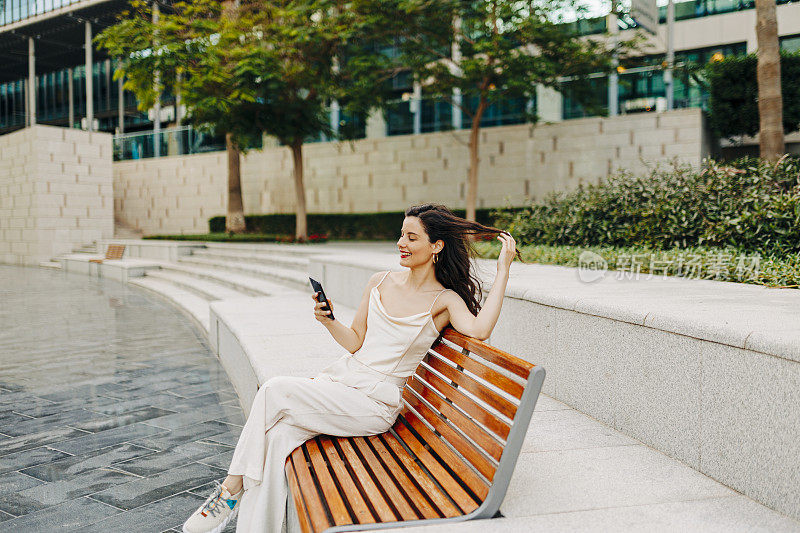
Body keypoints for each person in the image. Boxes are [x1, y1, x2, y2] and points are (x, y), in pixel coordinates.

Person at [182, 203, 524, 533]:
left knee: (273, 390)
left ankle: (228, 492)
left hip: (374, 404)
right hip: (344, 383)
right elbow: (356, 341)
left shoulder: (444, 300)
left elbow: (480, 330)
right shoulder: (379, 281)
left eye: (411, 237)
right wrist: (328, 321)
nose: (401, 244)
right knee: (278, 437)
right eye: (401, 235)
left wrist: (503, 271)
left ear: (437, 246)